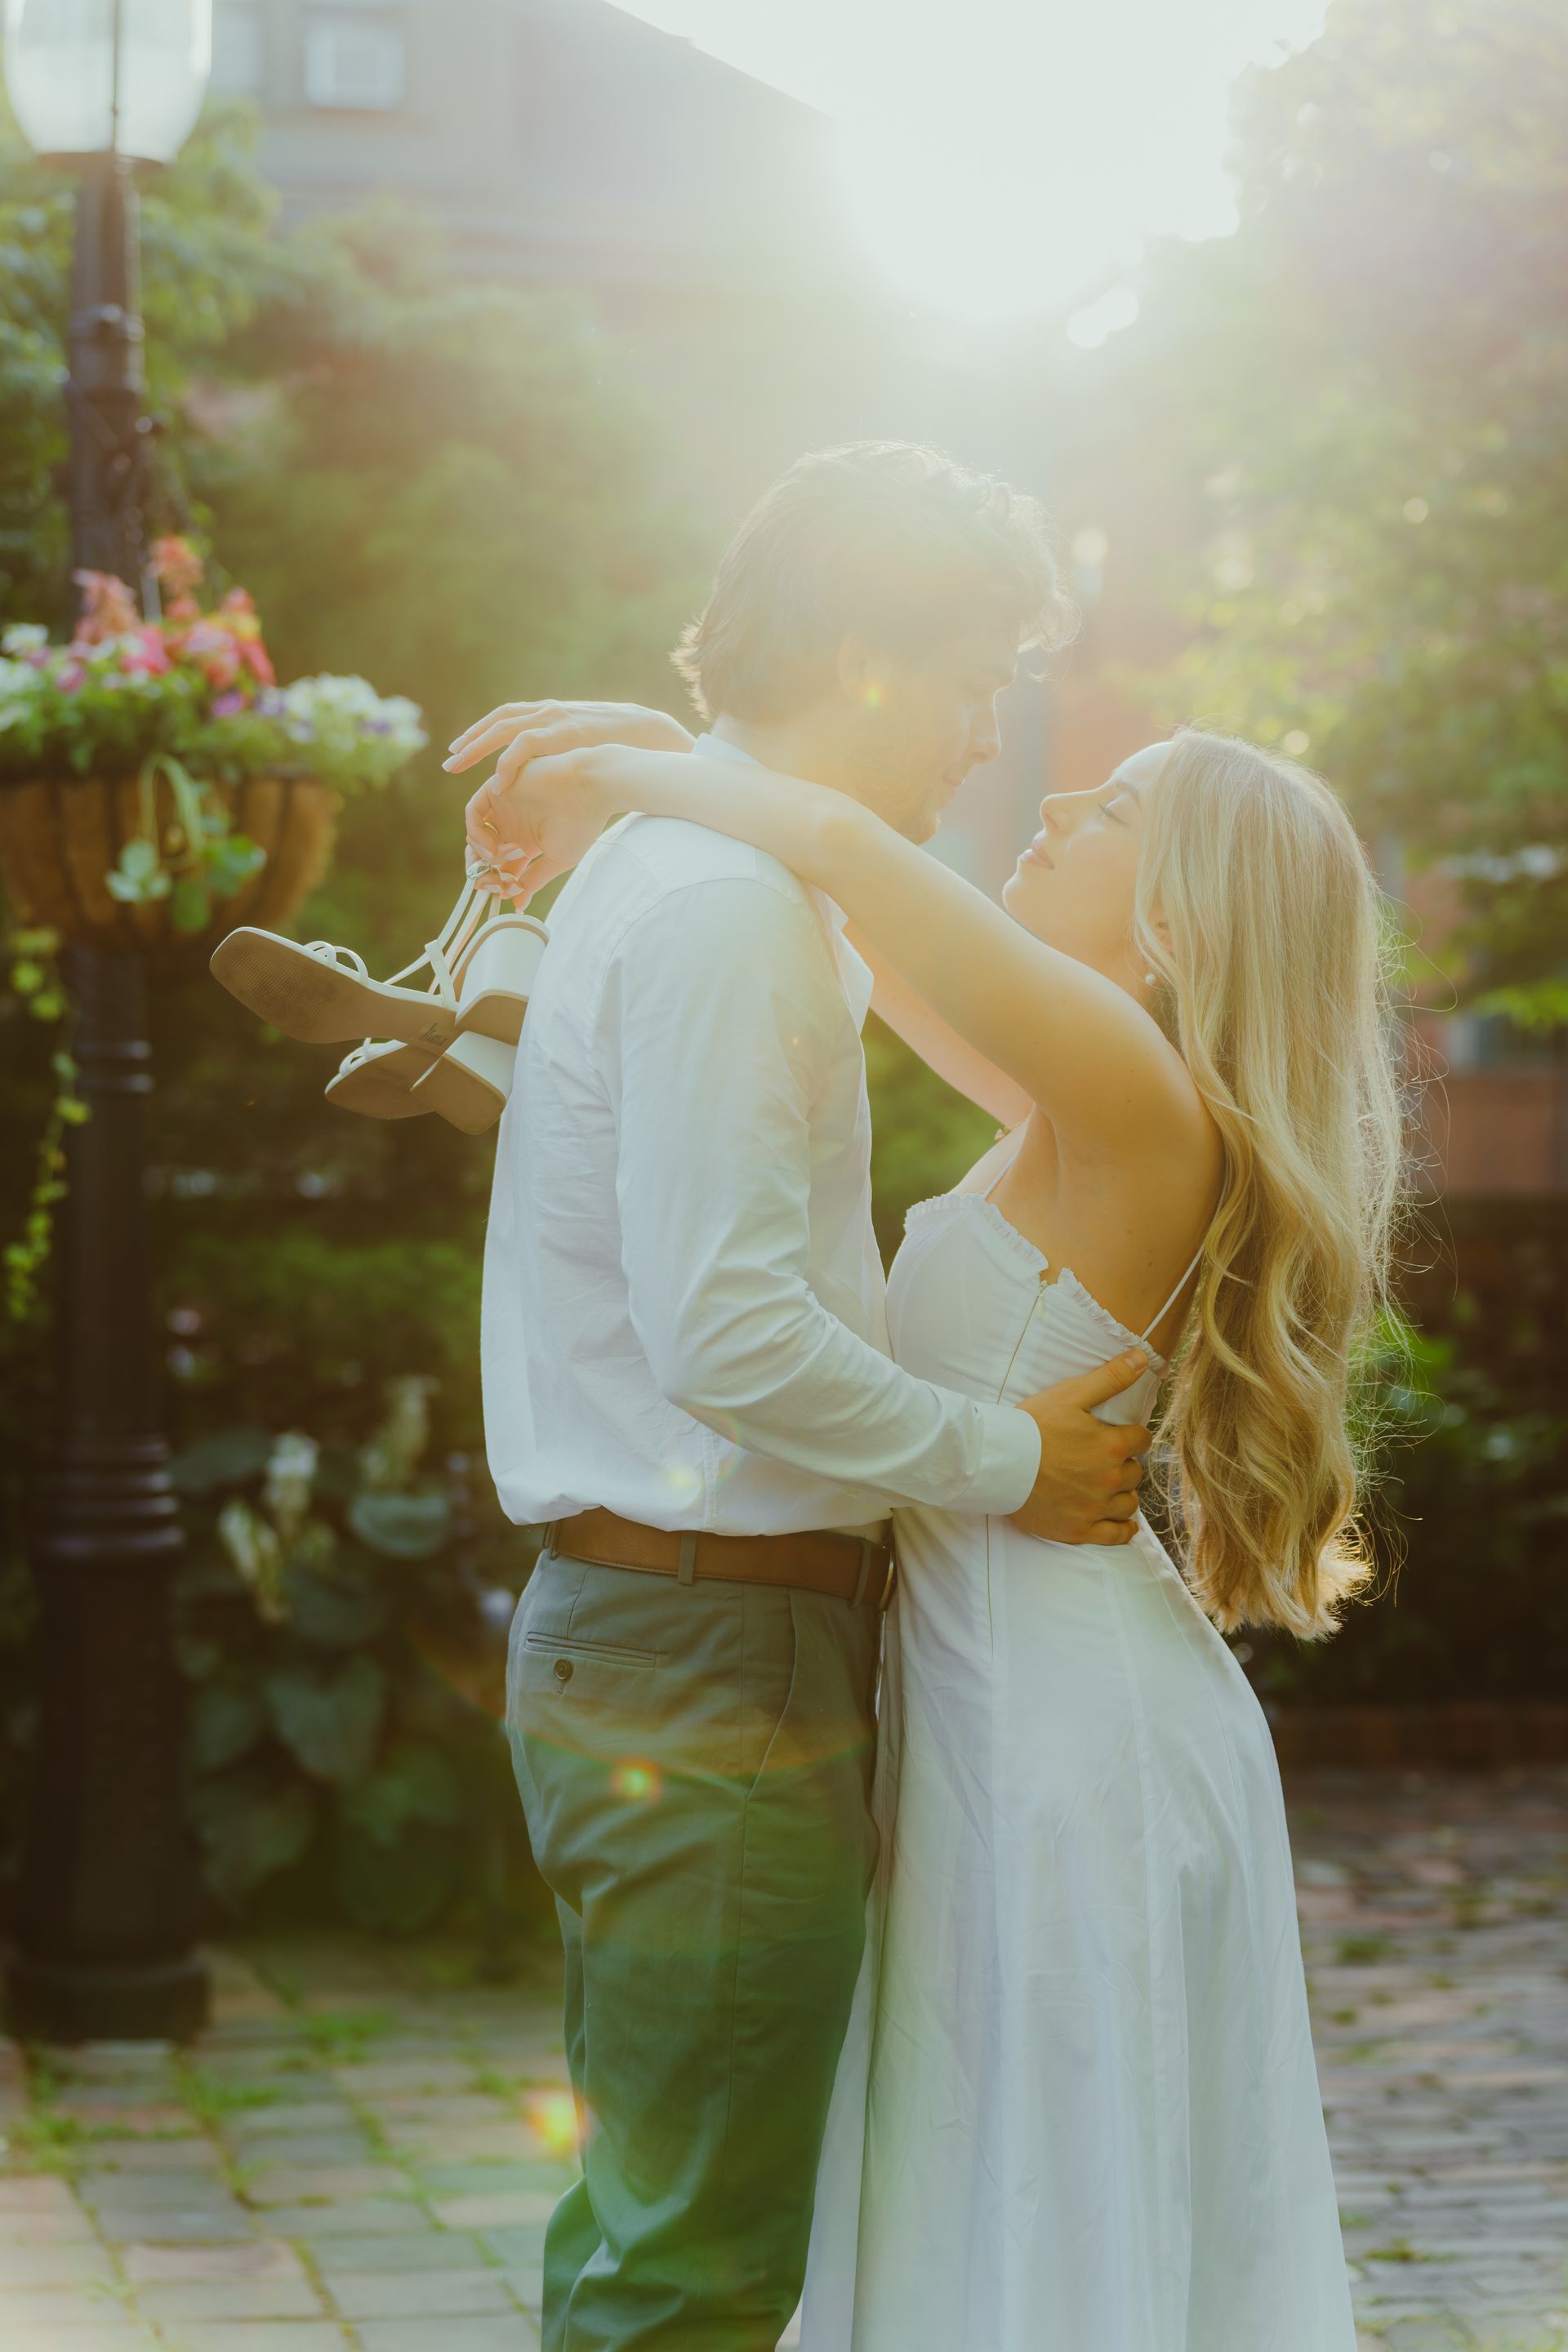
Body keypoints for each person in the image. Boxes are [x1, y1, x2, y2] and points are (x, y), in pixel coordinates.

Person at [454, 670, 1403, 2344]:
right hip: (996, 1679)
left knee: (1032, 2181)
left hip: (1058, 1718)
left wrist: (636, 763)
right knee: (986, 2170)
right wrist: (678, 762)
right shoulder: (1079, 1095)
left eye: (1114, 806)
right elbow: (854, 905)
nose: (1054, 804)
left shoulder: (1127, 1084)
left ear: (1181, 914)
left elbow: (839, 847)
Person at [448, 443, 1165, 2352]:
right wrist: (1010, 1459)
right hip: (714, 1651)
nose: (988, 733)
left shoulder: (718, 879)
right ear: (865, 655)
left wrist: (654, 755)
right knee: (692, 2273)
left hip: (682, 1638)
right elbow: (734, 1336)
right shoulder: (729, 914)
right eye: (973, 677)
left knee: (663, 2233)